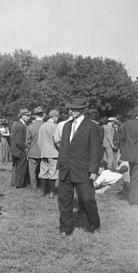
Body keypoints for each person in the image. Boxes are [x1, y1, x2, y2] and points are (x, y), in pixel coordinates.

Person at [57, 97, 101, 236]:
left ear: (82, 110)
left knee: (88, 199)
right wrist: (60, 166)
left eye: (74, 109)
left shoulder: (91, 126)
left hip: (83, 170)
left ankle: (94, 224)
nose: (71, 111)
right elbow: (63, 147)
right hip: (66, 170)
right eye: (69, 108)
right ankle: (66, 228)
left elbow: (96, 149)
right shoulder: (66, 126)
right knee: (64, 201)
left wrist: (93, 169)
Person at [37, 109, 59, 198]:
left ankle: (42, 192)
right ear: (54, 117)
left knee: (43, 172)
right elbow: (56, 140)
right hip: (53, 153)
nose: (57, 119)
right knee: (53, 174)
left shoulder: (42, 126)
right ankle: (51, 193)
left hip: (44, 153)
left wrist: (42, 150)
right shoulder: (54, 126)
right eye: (57, 117)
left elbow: (39, 140)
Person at [10, 108, 30, 188]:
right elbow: (19, 141)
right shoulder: (20, 125)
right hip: (20, 150)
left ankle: (15, 182)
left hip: (16, 149)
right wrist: (24, 149)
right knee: (21, 167)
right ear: (22, 116)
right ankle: (19, 184)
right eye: (27, 116)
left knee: (17, 167)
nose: (28, 117)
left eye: (29, 116)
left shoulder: (19, 124)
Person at [26, 106, 44, 190]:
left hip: (32, 152)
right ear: (42, 114)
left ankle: (34, 186)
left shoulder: (30, 126)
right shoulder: (45, 126)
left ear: (35, 115)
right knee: (42, 170)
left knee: (32, 170)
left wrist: (27, 152)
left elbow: (27, 142)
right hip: (43, 152)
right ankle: (42, 185)